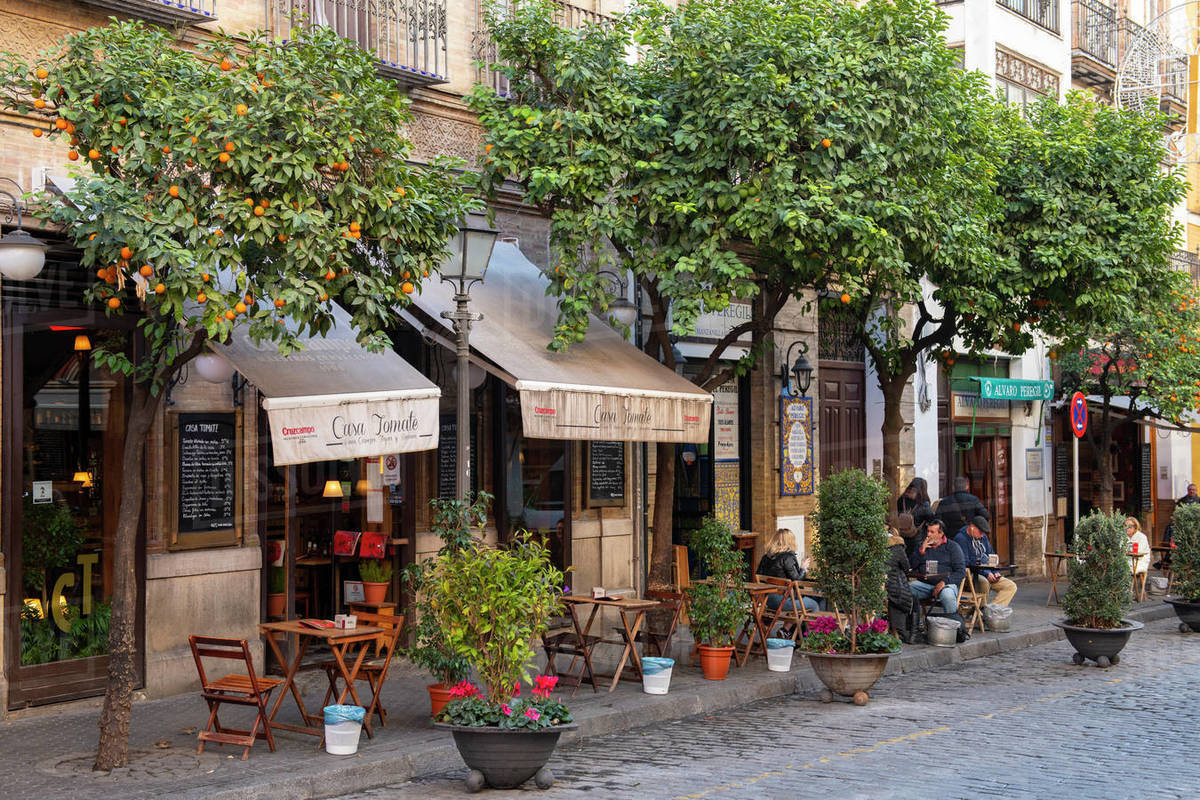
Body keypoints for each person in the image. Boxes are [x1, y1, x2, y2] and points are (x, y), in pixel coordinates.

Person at [755, 528, 820, 622]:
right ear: (791, 541)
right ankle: (807, 633)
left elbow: (759, 578)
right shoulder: (788, 558)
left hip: (767, 600)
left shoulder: (766, 557)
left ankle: (788, 630)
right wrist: (803, 569)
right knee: (814, 605)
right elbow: (797, 582)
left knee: (805, 600)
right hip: (784, 601)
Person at [953, 515, 1017, 607]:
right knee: (984, 582)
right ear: (972, 528)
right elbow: (967, 563)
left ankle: (990, 610)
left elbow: (990, 554)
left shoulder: (983, 537)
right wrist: (986, 573)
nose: (982, 535)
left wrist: (995, 571)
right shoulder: (961, 539)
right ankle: (980, 609)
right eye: (980, 532)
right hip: (970, 574)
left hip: (987, 571)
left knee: (1010, 586)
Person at [909, 519, 965, 615]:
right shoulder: (922, 545)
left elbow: (961, 572)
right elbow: (911, 566)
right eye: (928, 531)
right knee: (906, 589)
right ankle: (913, 623)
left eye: (932, 532)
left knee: (947, 595)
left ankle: (953, 624)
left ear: (941, 534)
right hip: (926, 585)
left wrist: (944, 582)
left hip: (946, 585)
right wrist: (921, 551)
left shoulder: (952, 547)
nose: (928, 535)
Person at [885, 525, 916, 643]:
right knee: (913, 598)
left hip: (879, 588)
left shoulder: (873, 545)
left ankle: (905, 632)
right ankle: (908, 632)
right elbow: (907, 567)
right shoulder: (897, 546)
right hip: (893, 588)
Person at [897, 477, 934, 557]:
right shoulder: (924, 505)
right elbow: (933, 519)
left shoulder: (901, 500)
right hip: (917, 538)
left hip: (902, 536)